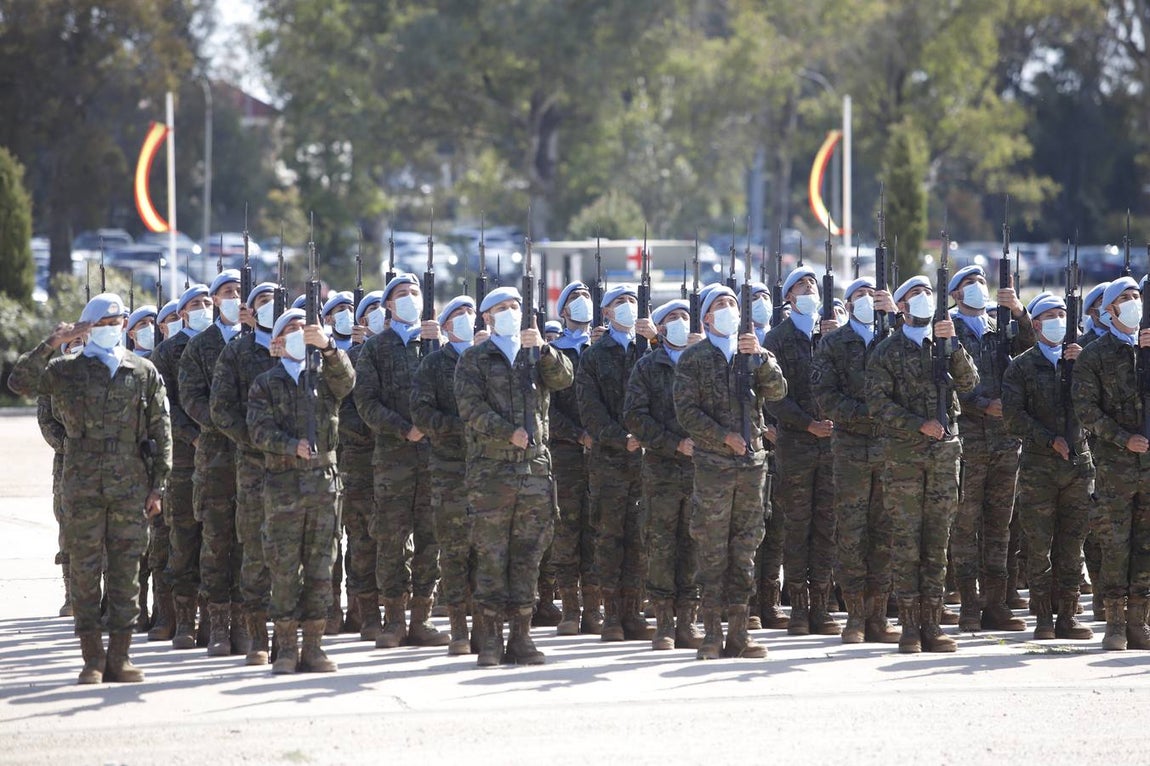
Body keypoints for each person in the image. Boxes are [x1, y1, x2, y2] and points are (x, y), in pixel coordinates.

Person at [39, 293, 172, 683]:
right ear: (87, 327)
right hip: (82, 487)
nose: (113, 329)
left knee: (126, 572)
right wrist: (53, 342)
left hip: (130, 487)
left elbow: (160, 430)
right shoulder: (67, 369)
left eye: (119, 323)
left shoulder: (142, 371)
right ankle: (92, 658)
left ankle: (120, 657)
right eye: (104, 323)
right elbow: (19, 381)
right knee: (84, 571)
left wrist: (158, 486)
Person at [454, 286, 574, 665]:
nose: (510, 313)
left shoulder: (535, 354)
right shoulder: (475, 358)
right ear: (487, 317)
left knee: (529, 556)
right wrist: (507, 431)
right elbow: (470, 408)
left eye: (515, 307)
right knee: (492, 557)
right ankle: (489, 639)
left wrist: (543, 349)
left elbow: (564, 379)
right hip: (492, 475)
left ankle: (521, 637)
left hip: (535, 473)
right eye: (502, 308)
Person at [673, 285, 788, 659]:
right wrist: (723, 437)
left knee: (745, 549)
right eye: (720, 306)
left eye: (732, 305)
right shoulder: (694, 358)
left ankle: (739, 632)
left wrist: (762, 359)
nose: (728, 311)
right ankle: (711, 633)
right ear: (706, 318)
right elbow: (686, 412)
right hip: (714, 468)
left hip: (752, 467)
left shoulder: (754, 354)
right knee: (712, 549)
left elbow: (778, 391)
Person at [866, 276, 979, 653]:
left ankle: (933, 623)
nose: (923, 299)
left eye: (928, 293)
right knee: (907, 543)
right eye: (915, 295)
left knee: (937, 542)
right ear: (900, 307)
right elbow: (878, 405)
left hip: (945, 459)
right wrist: (918, 424)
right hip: (904, 461)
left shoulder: (945, 346)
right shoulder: (886, 352)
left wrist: (955, 346)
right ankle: (910, 626)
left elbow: (969, 382)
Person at [247, 308, 354, 673]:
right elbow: (257, 430)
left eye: (304, 329)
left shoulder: (324, 376)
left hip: (323, 484)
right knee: (283, 568)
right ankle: (287, 646)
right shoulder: (266, 382)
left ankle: (314, 644)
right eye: (291, 329)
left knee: (321, 567)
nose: (299, 334)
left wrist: (327, 348)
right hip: (284, 486)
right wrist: (289, 444)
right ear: (277, 342)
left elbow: (347, 382)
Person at [353, 273, 448, 648]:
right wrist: (402, 428)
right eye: (401, 295)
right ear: (388, 306)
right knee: (391, 539)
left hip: (433, 458)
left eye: (414, 293)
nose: (409, 299)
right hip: (393, 460)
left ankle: (421, 618)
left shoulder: (435, 347)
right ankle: (393, 619)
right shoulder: (377, 349)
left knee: (430, 539)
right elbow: (366, 402)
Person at [811, 276, 901, 644]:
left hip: (891, 450)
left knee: (884, 532)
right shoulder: (833, 343)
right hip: (850, 449)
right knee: (851, 533)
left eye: (873, 295)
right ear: (847, 305)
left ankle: (878, 615)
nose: (867, 300)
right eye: (859, 295)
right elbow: (825, 395)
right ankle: (855, 616)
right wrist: (872, 413)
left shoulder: (896, 340)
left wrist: (896, 319)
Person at [946, 264, 1034, 632]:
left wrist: (1019, 312)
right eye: (969, 284)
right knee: (966, 525)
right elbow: (945, 381)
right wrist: (980, 404)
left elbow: (1030, 350)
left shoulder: (1000, 326)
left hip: (1004, 439)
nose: (978, 288)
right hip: (968, 438)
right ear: (954, 295)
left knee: (1000, 526)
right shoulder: (950, 329)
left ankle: (996, 603)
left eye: (981, 282)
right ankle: (969, 604)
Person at [1001, 294, 1094, 641]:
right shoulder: (1021, 366)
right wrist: (1046, 438)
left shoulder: (1083, 361)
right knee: (1038, 546)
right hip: (1039, 468)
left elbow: (1098, 403)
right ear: (1036, 325)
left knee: (1072, 546)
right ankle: (1043, 617)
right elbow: (1013, 418)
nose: (1059, 321)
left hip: (1077, 467)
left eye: (1063, 315)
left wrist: (1083, 367)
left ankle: (1067, 616)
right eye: (1051, 316)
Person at [1072, 276, 1150, 651]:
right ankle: (1115, 623)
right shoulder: (1096, 354)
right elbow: (1086, 410)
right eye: (1127, 297)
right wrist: (1123, 438)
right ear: (1111, 309)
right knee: (1116, 544)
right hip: (1116, 466)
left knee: (1146, 545)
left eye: (1138, 296)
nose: (1135, 302)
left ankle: (1139, 621)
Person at [576, 284, 657, 642]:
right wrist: (621, 437)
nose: (627, 308)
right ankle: (611, 615)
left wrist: (655, 341)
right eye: (619, 303)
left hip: (647, 460)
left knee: (640, 537)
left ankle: (633, 610)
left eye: (632, 302)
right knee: (610, 538)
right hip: (610, 460)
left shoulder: (651, 352)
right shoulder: (594, 356)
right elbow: (590, 411)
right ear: (606, 313)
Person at [763, 266, 840, 635]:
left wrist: (834, 341)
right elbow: (774, 396)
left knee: (826, 525)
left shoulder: (833, 335)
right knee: (797, 525)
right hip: (796, 444)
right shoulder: (777, 338)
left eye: (813, 284)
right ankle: (798, 606)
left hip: (832, 447)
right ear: (788, 297)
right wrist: (808, 424)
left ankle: (822, 606)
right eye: (801, 285)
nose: (809, 289)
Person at [623, 299, 703, 650]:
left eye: (685, 317)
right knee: (661, 545)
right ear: (660, 327)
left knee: (695, 545)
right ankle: (664, 623)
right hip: (662, 470)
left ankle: (688, 620)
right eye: (672, 318)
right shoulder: (647, 367)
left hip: (702, 471)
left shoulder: (705, 363)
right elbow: (636, 416)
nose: (680, 323)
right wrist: (674, 444)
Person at [209, 282, 281, 664]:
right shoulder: (237, 351)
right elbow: (221, 408)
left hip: (297, 469)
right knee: (254, 548)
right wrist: (254, 440)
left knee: (291, 554)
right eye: (263, 302)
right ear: (249, 312)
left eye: (275, 301)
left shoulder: (303, 349)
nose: (270, 308)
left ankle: (287, 633)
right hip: (254, 465)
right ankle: (257, 636)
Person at [179, 269, 247, 657]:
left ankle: (245, 622)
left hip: (254, 456)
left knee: (249, 543)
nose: (234, 297)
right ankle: (217, 623)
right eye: (226, 292)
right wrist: (227, 424)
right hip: (216, 456)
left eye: (239, 291)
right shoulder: (199, 346)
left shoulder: (261, 341)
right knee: (217, 541)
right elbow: (190, 397)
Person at [8, 320, 92, 617]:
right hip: (69, 463)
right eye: (73, 342)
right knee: (69, 530)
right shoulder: (56, 374)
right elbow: (46, 421)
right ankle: (72, 595)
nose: (78, 346)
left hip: (110, 466)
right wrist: (70, 447)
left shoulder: (107, 368)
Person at [411, 295, 478, 655]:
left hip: (488, 469)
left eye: (471, 313)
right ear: (446, 327)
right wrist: (462, 427)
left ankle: (485, 624)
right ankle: (458, 627)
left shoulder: (489, 360)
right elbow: (422, 413)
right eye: (459, 315)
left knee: (487, 551)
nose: (467, 319)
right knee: (453, 551)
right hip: (450, 470)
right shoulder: (433, 365)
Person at [150, 284, 211, 649]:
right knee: (183, 539)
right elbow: (165, 406)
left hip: (222, 459)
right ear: (183, 312)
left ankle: (212, 619)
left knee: (218, 541)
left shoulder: (223, 345)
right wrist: (193, 436)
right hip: (184, 461)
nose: (204, 308)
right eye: (196, 304)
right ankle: (180, 619)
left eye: (208, 302)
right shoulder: (167, 352)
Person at [548, 282, 600, 635]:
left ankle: (594, 608)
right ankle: (570, 607)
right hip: (566, 453)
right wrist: (576, 433)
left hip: (601, 453)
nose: (582, 305)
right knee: (567, 530)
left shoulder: (602, 350)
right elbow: (546, 409)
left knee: (597, 529)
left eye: (587, 298)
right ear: (563, 312)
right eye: (574, 300)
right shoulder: (554, 354)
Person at [341, 290, 384, 640]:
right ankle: (360, 610)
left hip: (397, 461)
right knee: (361, 539)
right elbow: (346, 414)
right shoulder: (351, 358)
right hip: (359, 460)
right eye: (373, 311)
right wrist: (382, 430)